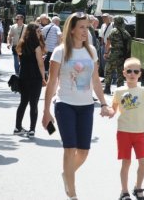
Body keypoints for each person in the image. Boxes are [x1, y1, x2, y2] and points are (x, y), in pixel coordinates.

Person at [41, 12, 112, 200]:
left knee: (84, 151)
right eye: (81, 27)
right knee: (69, 148)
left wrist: (104, 103)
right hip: (65, 105)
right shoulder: (60, 51)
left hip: (86, 106)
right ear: (71, 29)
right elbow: (52, 82)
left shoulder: (91, 51)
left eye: (87, 27)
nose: (85, 31)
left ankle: (67, 173)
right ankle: (72, 194)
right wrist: (46, 111)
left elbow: (96, 81)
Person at [111, 57, 144, 200]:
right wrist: (108, 111)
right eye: (129, 71)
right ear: (124, 73)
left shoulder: (143, 90)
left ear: (140, 74)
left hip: (139, 133)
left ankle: (138, 188)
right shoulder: (119, 91)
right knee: (126, 162)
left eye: (136, 71)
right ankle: (124, 192)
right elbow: (113, 109)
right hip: (124, 132)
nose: (132, 74)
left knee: (143, 162)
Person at [14, 22, 47, 137]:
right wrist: (43, 77)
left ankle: (17, 127)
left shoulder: (21, 44)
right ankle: (32, 129)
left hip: (23, 76)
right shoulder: (36, 45)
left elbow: (20, 59)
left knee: (23, 102)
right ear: (33, 32)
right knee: (34, 103)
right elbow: (40, 64)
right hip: (35, 77)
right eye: (38, 31)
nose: (40, 33)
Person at [104, 16, 132, 95]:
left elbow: (108, 43)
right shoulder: (126, 33)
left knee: (108, 71)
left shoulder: (113, 31)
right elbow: (129, 47)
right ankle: (120, 89)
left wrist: (106, 52)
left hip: (113, 54)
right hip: (122, 56)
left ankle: (107, 88)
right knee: (120, 73)